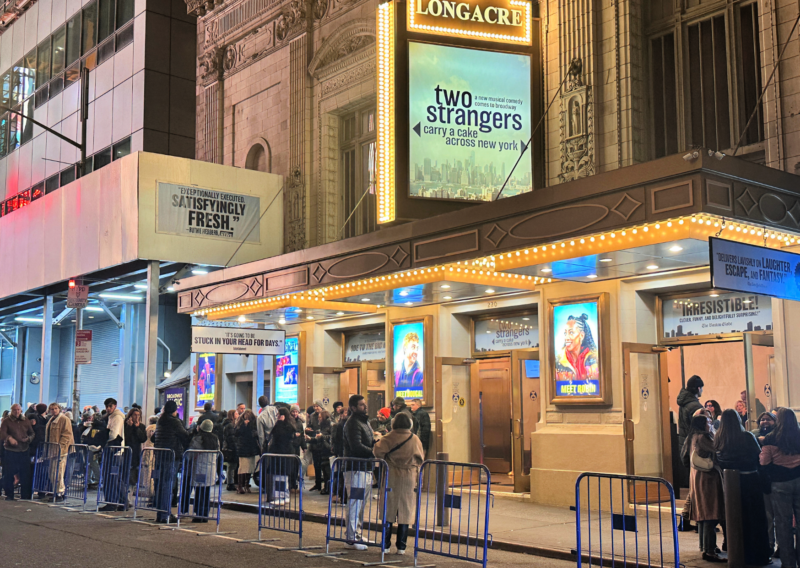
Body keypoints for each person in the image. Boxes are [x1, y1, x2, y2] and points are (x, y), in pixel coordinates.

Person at [715, 408, 771, 565]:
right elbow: (758, 456)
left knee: (736, 519)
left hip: (730, 482)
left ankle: (739, 553)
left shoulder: (719, 438)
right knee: (756, 518)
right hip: (750, 480)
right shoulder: (746, 436)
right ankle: (759, 555)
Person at [373, 412, 424, 555]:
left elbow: (377, 452)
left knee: (388, 509)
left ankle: (386, 545)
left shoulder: (388, 437)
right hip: (409, 476)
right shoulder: (415, 439)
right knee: (405, 511)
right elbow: (420, 458)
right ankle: (401, 546)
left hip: (392, 475)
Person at [761, 408, 800, 568]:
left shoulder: (770, 438)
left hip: (779, 483)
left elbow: (764, 462)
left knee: (783, 525)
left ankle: (788, 563)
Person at [686, 413, 725, 562]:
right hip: (707, 479)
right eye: (708, 422)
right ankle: (709, 551)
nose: (711, 424)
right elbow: (718, 449)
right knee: (710, 514)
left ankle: (705, 546)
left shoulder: (693, 437)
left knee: (703, 515)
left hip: (698, 477)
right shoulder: (703, 437)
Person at [343, 394, 376, 551]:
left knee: (361, 503)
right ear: (353, 407)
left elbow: (367, 441)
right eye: (362, 405)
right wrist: (373, 451)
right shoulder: (352, 423)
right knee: (355, 502)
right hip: (355, 468)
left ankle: (357, 533)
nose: (365, 406)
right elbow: (356, 446)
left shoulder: (364, 421)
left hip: (365, 467)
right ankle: (351, 537)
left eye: (365, 403)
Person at [153, 400, 189, 523]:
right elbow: (184, 435)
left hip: (160, 455)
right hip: (171, 456)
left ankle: (160, 513)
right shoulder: (174, 422)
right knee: (168, 485)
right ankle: (165, 514)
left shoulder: (160, 421)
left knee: (161, 485)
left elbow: (154, 437)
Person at [184, 419, 220, 522]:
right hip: (210, 469)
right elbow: (218, 454)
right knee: (206, 492)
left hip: (200, 468)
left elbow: (190, 454)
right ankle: (205, 513)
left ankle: (199, 514)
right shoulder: (215, 439)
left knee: (199, 491)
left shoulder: (199, 438)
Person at [0, 404, 34, 500]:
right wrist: (9, 438)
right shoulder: (6, 421)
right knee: (9, 474)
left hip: (24, 449)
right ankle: (9, 495)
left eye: (18, 410)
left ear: (21, 410)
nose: (17, 412)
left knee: (25, 474)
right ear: (11, 411)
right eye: (15, 410)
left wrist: (28, 439)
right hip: (11, 450)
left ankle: (25, 495)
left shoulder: (25, 420)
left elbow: (32, 433)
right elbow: (2, 433)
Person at [264, 408, 297, 505]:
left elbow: (279, 435)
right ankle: (283, 495)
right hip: (282, 454)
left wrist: (279, 423)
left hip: (282, 455)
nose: (277, 416)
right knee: (281, 476)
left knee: (281, 476)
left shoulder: (285, 427)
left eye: (278, 415)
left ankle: (281, 496)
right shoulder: (288, 426)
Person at [45, 403, 73, 502]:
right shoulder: (51, 419)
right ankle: (55, 492)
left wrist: (60, 447)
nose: (54, 411)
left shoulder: (64, 419)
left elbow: (67, 435)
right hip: (52, 450)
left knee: (58, 472)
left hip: (60, 451)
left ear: (59, 409)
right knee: (52, 473)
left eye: (55, 408)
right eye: (52, 409)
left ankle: (60, 493)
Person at [123, 407, 147, 506]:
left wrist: (136, 428)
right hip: (126, 452)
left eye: (138, 415)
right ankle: (124, 497)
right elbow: (126, 437)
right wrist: (129, 427)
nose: (136, 417)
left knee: (133, 477)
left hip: (136, 454)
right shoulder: (125, 425)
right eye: (134, 415)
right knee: (125, 476)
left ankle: (129, 498)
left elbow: (142, 438)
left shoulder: (141, 426)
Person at [234, 409, 260, 494]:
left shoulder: (254, 424)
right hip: (244, 449)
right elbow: (237, 433)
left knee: (250, 468)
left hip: (250, 448)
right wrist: (244, 426)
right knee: (243, 468)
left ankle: (246, 485)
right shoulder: (240, 425)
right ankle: (240, 486)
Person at [222, 409, 239, 491]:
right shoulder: (230, 426)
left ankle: (230, 482)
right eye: (236, 413)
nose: (238, 415)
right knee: (231, 466)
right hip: (231, 448)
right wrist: (235, 447)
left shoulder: (229, 425)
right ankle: (230, 483)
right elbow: (231, 438)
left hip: (230, 448)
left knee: (231, 466)